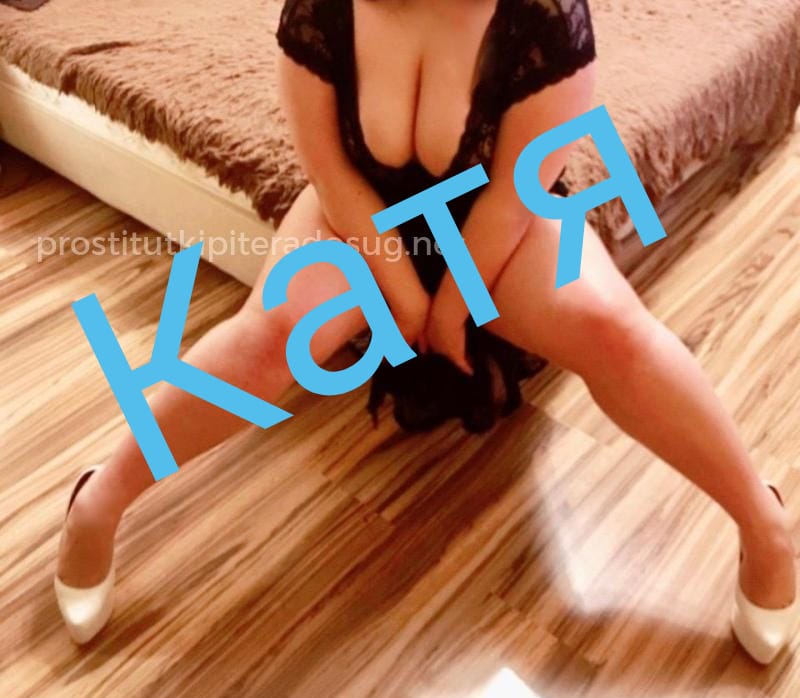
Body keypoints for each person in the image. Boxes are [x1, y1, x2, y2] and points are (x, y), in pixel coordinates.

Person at [55, 0, 798, 663]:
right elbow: (330, 171)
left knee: (612, 329)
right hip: (362, 214)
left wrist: (449, 310)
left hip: (499, 220)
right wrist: (407, 298)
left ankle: (764, 523)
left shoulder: (545, 18)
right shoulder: (322, 9)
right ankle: (97, 501)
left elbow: (514, 197)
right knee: (274, 331)